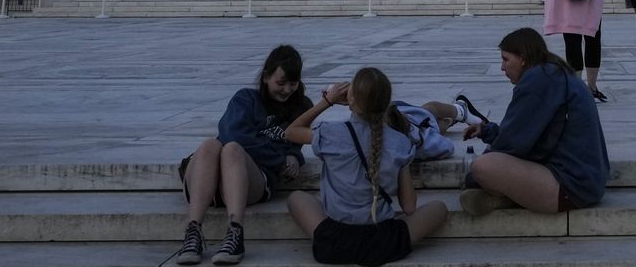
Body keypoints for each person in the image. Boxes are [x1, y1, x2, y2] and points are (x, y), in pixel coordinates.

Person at [285, 68, 447, 267]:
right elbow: (409, 207)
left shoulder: (331, 133)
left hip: (335, 243)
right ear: (386, 103)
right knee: (439, 208)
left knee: (296, 198)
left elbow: (291, 132)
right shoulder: (401, 142)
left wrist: (328, 101)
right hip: (383, 243)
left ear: (351, 100)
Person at [173, 45, 313, 266]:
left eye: (292, 84)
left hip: (252, 179)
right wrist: (279, 158)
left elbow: (298, 140)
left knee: (232, 150)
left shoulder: (302, 106)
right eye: (281, 82)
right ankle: (193, 233)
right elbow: (232, 133)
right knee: (213, 144)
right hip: (208, 180)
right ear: (266, 77)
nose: (286, 90)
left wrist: (295, 156)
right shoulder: (246, 98)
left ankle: (235, 233)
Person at [457, 28, 609, 216]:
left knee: (482, 166)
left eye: (506, 59)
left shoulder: (538, 80)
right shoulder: (551, 74)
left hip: (572, 187)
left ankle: (506, 196)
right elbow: (529, 133)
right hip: (587, 181)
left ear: (522, 59)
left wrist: (476, 178)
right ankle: (505, 198)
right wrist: (488, 131)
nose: (502, 68)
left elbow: (512, 144)